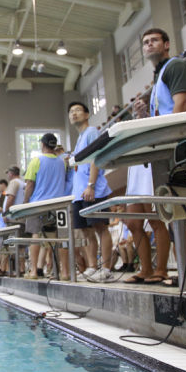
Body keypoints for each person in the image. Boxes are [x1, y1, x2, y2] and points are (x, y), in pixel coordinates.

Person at [124, 28, 186, 285]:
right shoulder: (158, 78)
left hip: (169, 149)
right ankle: (145, 268)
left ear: (166, 44)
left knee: (159, 217)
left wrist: (169, 140)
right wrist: (144, 115)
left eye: (154, 40)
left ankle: (162, 269)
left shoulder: (175, 66)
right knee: (133, 220)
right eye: (145, 42)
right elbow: (160, 116)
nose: (148, 44)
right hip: (150, 150)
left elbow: (182, 105)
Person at [67, 101, 113, 282]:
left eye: (78, 110)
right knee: (86, 231)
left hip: (94, 189)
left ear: (87, 115)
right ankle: (92, 266)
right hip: (79, 192)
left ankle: (107, 268)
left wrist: (91, 185)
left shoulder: (92, 132)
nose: (74, 114)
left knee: (100, 228)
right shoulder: (79, 139)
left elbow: (96, 158)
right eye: (71, 111)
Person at [22, 133, 67, 279]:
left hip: (38, 204)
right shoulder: (62, 162)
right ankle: (64, 272)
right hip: (59, 204)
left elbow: (29, 184)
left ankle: (34, 271)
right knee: (62, 237)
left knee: (35, 235)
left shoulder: (37, 160)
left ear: (42, 144)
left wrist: (25, 202)